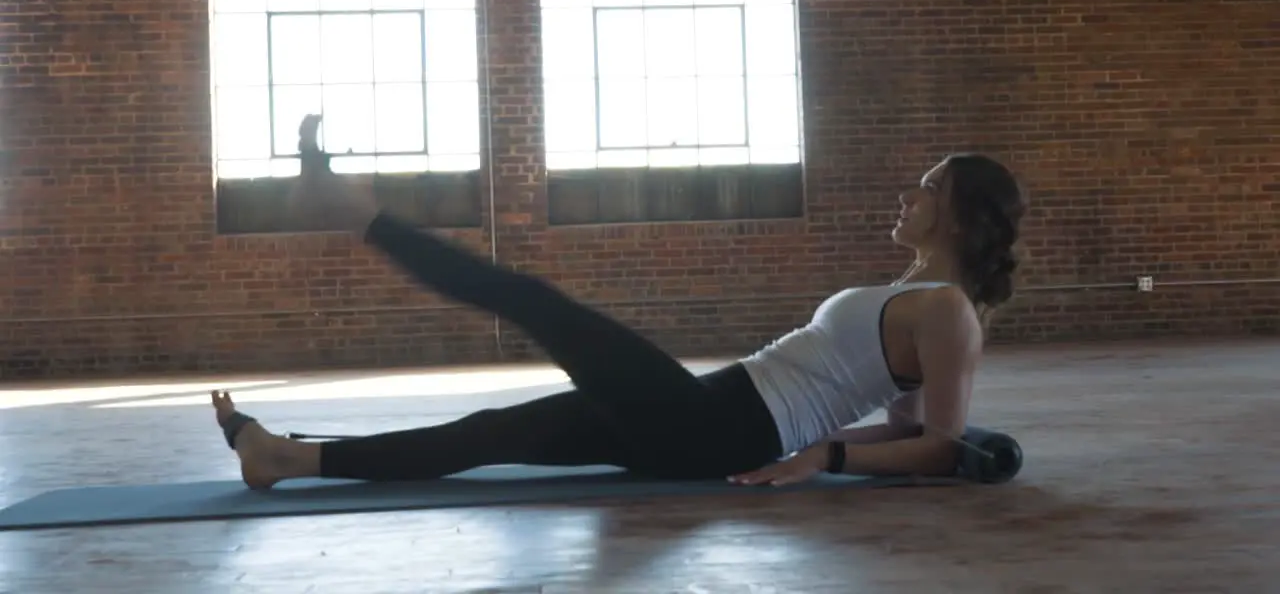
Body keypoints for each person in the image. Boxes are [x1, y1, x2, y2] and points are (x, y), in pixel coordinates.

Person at [213, 115, 1028, 489]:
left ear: (956, 211)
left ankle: (354, 210)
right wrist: (833, 439)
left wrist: (823, 454)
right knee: (495, 433)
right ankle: (287, 458)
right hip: (711, 412)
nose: (906, 198)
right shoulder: (914, 295)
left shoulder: (948, 311)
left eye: (925, 191)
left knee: (536, 303)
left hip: (724, 427)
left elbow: (938, 444)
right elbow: (907, 424)